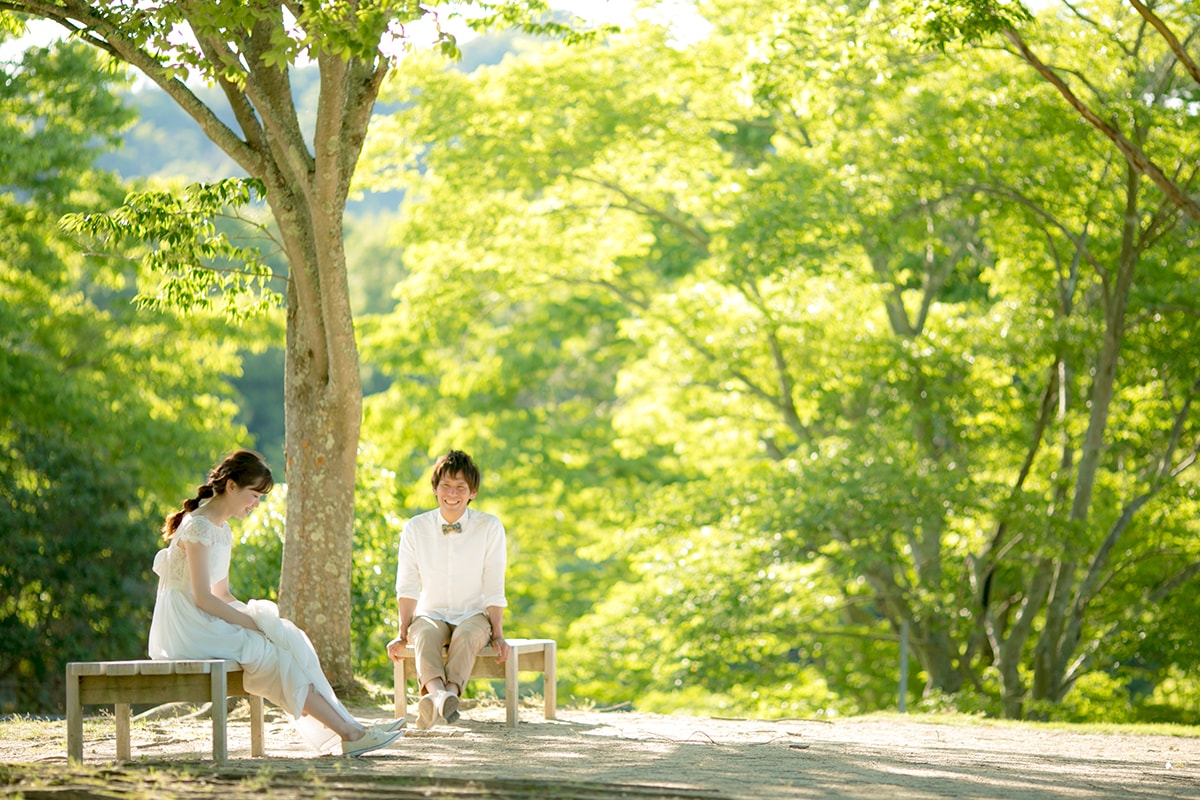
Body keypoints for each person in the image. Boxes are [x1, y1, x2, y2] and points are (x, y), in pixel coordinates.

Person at [148, 449, 403, 757]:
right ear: (231, 487)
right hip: (188, 626)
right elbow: (203, 598)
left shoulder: (222, 529)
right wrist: (254, 625)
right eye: (253, 495)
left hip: (206, 618)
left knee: (288, 637)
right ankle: (349, 732)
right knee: (271, 653)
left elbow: (224, 594)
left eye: (259, 498)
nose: (255, 505)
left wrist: (261, 622)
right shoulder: (198, 526)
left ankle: (353, 728)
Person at [386, 449, 510, 730]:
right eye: (446, 486)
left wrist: (499, 635)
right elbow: (406, 585)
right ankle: (443, 696)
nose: (452, 493)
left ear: (472, 492)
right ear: (435, 488)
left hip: (474, 614)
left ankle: (443, 696)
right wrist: (402, 633)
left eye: (460, 487)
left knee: (467, 636)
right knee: (425, 635)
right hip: (431, 612)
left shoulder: (489, 526)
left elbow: (494, 583)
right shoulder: (415, 528)